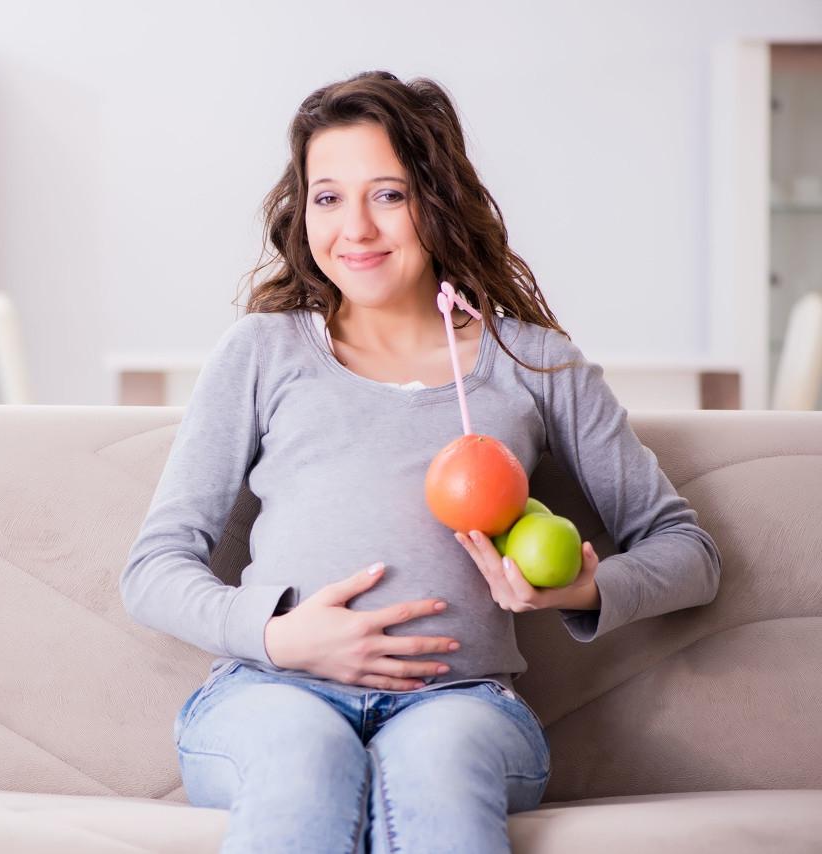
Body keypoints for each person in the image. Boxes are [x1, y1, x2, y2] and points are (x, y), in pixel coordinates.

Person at [119, 70, 721, 854]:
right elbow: (154, 568)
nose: (356, 228)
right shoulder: (261, 353)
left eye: (389, 194)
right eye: (328, 197)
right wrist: (278, 638)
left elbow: (691, 554)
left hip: (464, 705)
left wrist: (580, 586)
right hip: (270, 693)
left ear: (436, 200)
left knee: (435, 767)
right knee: (307, 759)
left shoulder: (531, 362)